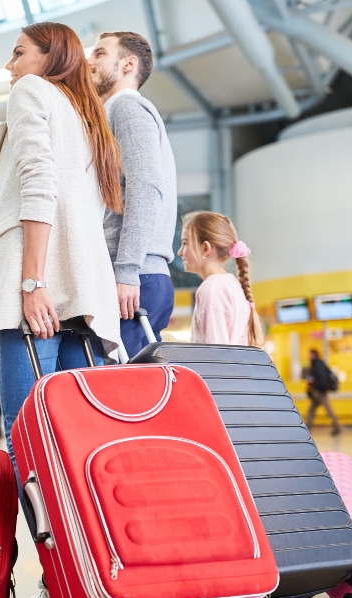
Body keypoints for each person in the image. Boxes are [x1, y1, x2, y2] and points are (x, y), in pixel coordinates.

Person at [0, 21, 124, 471]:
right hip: (85, 290)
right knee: (85, 436)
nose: (10, 65)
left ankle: (50, 542)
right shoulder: (86, 114)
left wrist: (33, 280)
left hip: (40, 287)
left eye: (19, 53)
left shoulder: (31, 91)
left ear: (50, 57)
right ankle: (86, 541)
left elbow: (39, 187)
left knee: (29, 437)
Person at [88, 31, 178, 356]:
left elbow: (145, 186)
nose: (89, 61)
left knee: (119, 398)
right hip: (140, 274)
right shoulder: (115, 111)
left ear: (129, 64)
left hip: (134, 275)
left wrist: (126, 269)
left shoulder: (125, 107)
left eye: (99, 53)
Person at [177, 211, 264, 346]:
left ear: (205, 248)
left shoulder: (211, 288)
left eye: (185, 243)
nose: (180, 252)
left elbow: (216, 355)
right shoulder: (231, 284)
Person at [304, 348, 342, 436]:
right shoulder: (317, 364)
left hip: (319, 392)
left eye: (309, 354)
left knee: (328, 410)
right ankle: (307, 429)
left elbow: (321, 378)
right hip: (317, 392)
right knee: (311, 411)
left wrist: (319, 389)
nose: (308, 356)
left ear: (313, 355)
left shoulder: (317, 364)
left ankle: (337, 427)